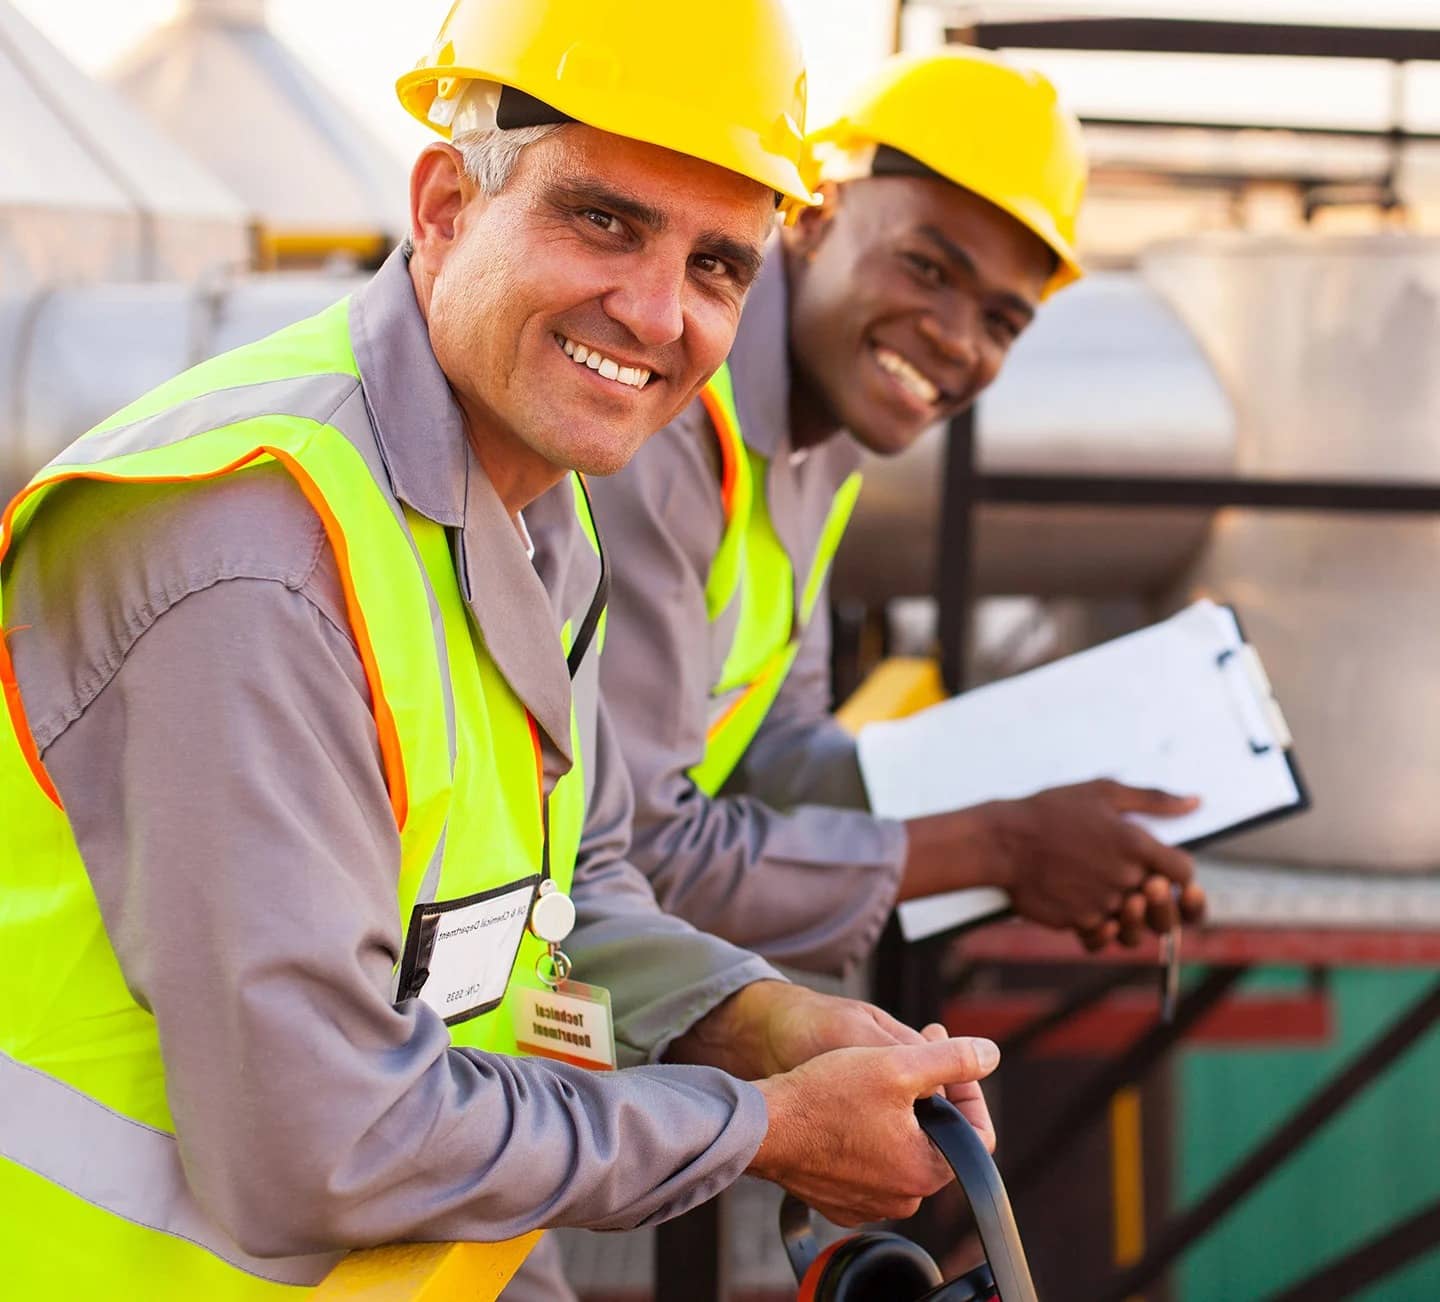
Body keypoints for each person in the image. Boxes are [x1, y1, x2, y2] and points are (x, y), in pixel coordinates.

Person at [0, 7, 1001, 1298]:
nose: (656, 313)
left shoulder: (534, 494)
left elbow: (555, 900)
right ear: (444, 206)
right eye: (603, 219)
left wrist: (760, 1020)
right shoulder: (252, 548)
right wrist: (763, 1126)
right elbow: (322, 1143)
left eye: (716, 266)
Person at [592, 48, 1209, 976]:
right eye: (927, 268)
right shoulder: (668, 419)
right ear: (813, 216)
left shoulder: (825, 440)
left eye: (1002, 322)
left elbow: (777, 744)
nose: (957, 341)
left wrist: (1066, 828)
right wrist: (998, 848)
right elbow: (631, 857)